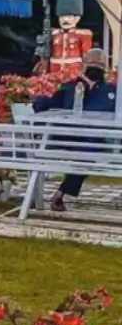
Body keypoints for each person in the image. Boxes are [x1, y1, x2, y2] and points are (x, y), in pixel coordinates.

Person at [32, 48, 117, 212]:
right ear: (84, 65)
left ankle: (61, 192)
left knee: (90, 148)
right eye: (93, 63)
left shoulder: (110, 91)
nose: (96, 67)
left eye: (100, 64)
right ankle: (61, 193)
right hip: (68, 139)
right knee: (89, 150)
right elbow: (43, 105)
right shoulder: (70, 87)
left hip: (94, 142)